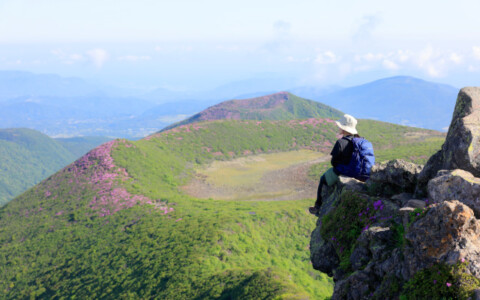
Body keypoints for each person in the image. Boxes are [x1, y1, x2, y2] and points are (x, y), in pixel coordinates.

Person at [309, 114, 362, 215]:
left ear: (344, 128)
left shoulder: (340, 142)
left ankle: (317, 206)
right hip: (357, 171)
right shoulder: (359, 140)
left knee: (322, 179)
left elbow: (333, 162)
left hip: (343, 172)